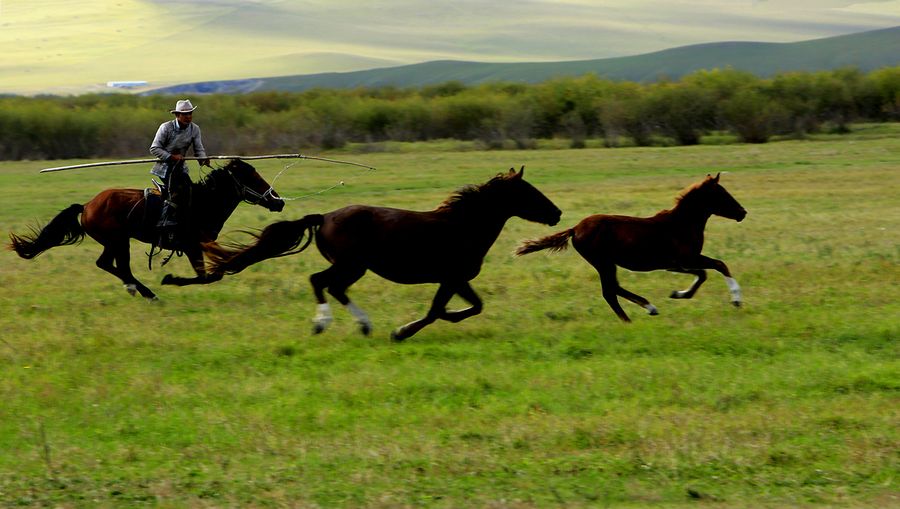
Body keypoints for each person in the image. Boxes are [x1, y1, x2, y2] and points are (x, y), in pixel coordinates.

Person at [149, 99, 210, 245]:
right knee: (181, 192)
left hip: (181, 169)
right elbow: (154, 149)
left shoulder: (194, 129)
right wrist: (171, 156)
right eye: (184, 114)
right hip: (165, 168)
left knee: (193, 193)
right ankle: (165, 221)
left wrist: (202, 159)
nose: (188, 116)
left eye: (190, 113)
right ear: (177, 115)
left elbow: (199, 149)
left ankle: (189, 225)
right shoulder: (166, 127)